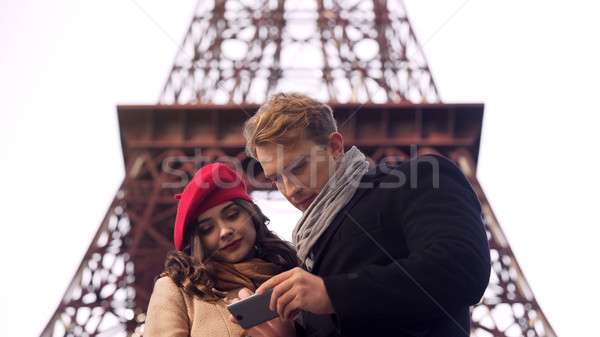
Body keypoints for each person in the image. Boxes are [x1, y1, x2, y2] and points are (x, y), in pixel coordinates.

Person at [234, 92, 491, 336]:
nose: (290, 189)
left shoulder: (415, 179)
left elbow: (461, 267)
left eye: (299, 167)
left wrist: (332, 294)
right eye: (276, 178)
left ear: (335, 146)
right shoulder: (304, 250)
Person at [144, 163, 299, 337]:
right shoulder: (177, 290)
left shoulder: (294, 277)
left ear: (252, 215)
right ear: (199, 242)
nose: (225, 231)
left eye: (232, 216)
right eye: (208, 228)